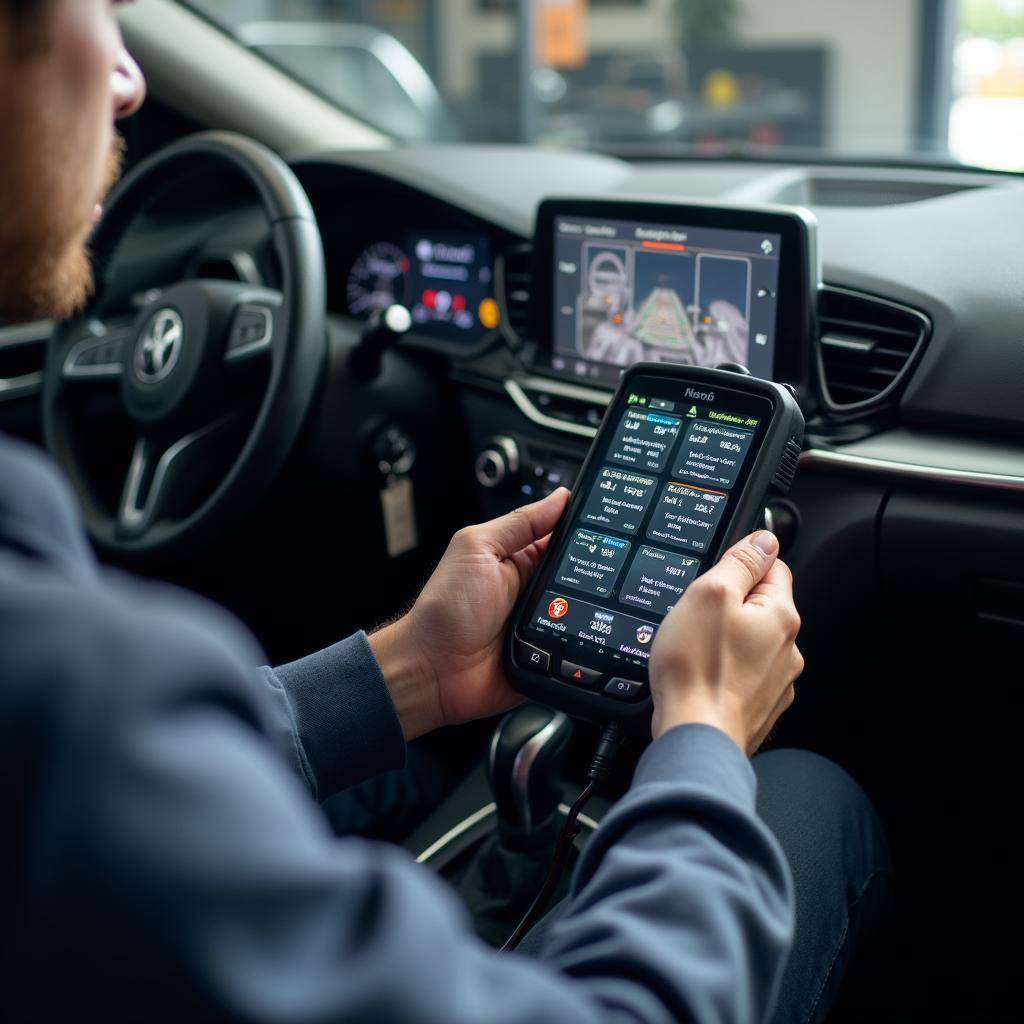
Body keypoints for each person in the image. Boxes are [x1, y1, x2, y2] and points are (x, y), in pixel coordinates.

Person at [0, 3, 891, 1022]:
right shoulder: (79, 692)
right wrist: (703, 735)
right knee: (816, 797)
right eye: (99, 11)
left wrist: (410, 671)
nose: (127, 78)